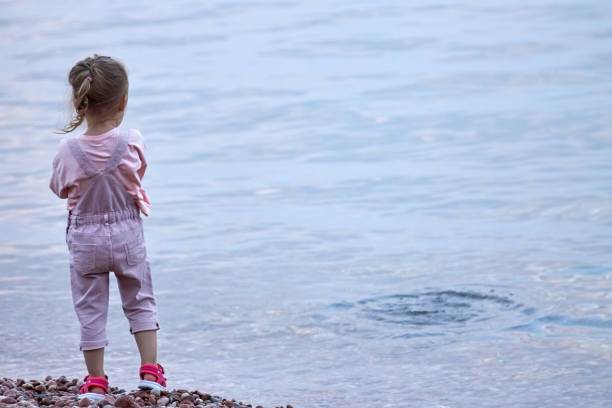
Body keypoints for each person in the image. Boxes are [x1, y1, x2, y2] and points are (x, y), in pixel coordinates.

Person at [50, 54, 167, 401]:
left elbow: (59, 189)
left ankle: (96, 381)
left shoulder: (67, 148)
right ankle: (150, 370)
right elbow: (138, 173)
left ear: (78, 101)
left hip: (85, 239)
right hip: (127, 232)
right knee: (140, 299)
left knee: (90, 308)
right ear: (124, 101)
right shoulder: (131, 140)